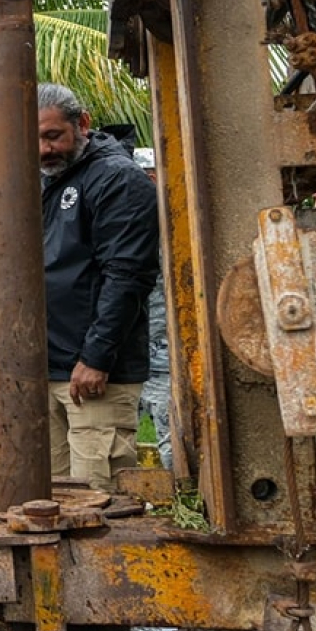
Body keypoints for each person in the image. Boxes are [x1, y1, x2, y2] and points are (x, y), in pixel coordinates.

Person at [38, 84, 159, 491]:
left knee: (98, 504)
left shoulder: (118, 179)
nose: (42, 149)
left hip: (94, 373)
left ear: (82, 124)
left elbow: (127, 276)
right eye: (33, 138)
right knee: (47, 504)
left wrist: (96, 356)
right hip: (47, 367)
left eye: (52, 135)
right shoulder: (43, 182)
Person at [132, 148, 173, 471]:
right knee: (114, 440)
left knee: (172, 440)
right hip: (123, 352)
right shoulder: (121, 226)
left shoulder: (177, 228)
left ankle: (185, 502)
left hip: (164, 354)